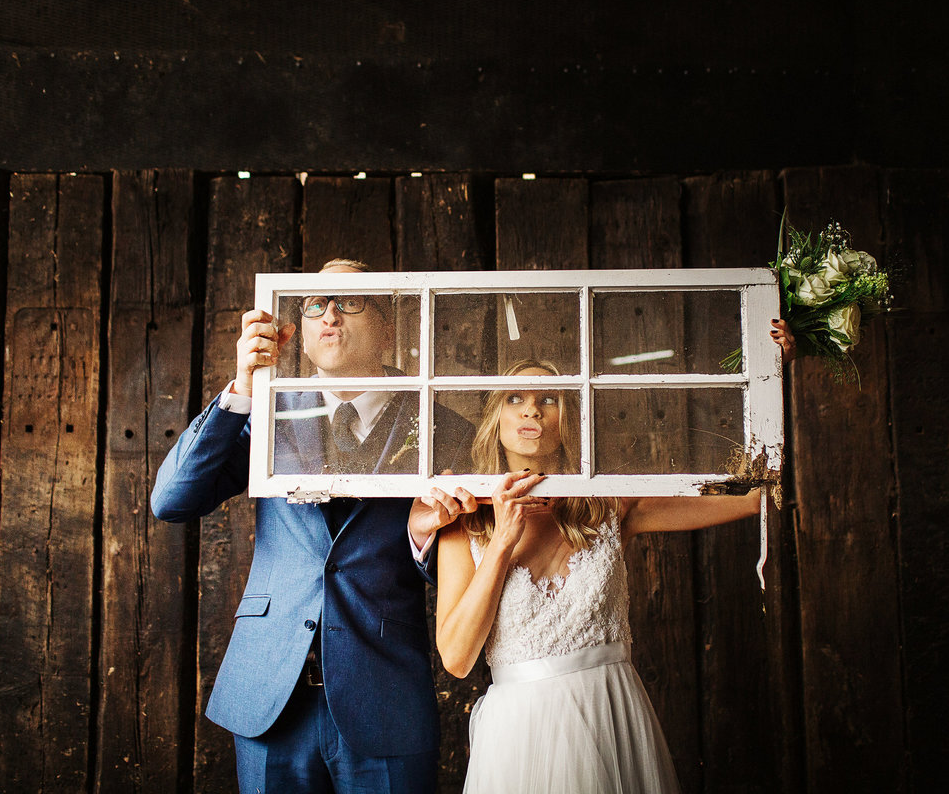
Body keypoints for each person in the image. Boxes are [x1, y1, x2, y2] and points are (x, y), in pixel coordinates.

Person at [409, 322, 795, 794]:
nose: (532, 407)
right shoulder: (463, 519)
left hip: (612, 715)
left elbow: (751, 496)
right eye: (516, 398)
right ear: (495, 418)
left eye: (550, 398)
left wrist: (780, 378)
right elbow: (457, 658)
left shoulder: (611, 505)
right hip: (518, 737)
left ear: (569, 419)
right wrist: (503, 540)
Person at [151, 258, 474, 793]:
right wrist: (242, 389)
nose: (331, 316)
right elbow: (172, 499)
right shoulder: (270, 411)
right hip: (270, 696)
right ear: (297, 329)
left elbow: (467, 569)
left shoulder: (443, 426)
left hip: (383, 696)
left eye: (350, 301)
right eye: (315, 305)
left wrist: (421, 540)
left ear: (389, 323)